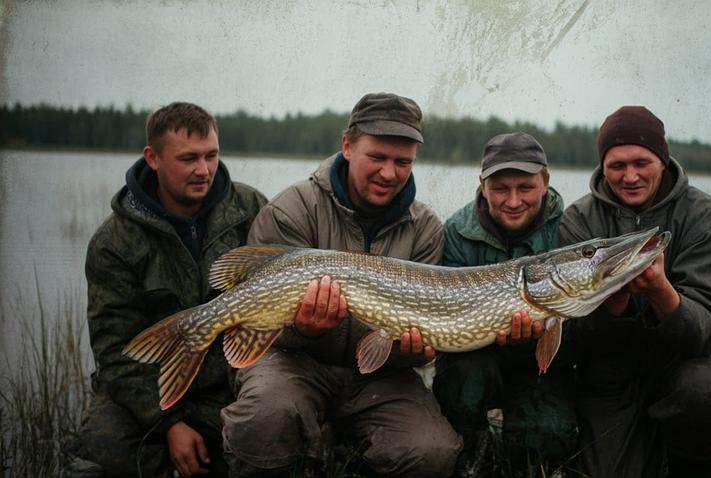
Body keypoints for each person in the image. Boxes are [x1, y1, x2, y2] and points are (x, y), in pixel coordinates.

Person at [220, 92, 462, 477]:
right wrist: (304, 329)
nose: (389, 173)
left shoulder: (425, 229)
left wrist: (413, 352)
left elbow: (412, 344)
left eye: (402, 162)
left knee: (431, 450)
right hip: (293, 362)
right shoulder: (292, 210)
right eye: (377, 157)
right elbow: (254, 325)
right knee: (264, 418)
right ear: (347, 146)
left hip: (379, 379)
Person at [74, 102, 267, 477]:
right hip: (146, 386)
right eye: (188, 158)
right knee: (102, 455)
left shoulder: (250, 207)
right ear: (153, 158)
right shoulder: (114, 241)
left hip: (228, 383)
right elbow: (114, 349)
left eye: (211, 155)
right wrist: (170, 423)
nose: (203, 170)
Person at [560, 106, 711, 478]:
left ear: (662, 160)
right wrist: (616, 302)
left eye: (641, 162)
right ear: (602, 167)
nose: (629, 176)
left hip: (689, 359)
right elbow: (583, 340)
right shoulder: (579, 220)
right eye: (616, 165)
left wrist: (661, 291)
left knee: (704, 393)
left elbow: (710, 334)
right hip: (614, 367)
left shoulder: (705, 216)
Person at [432, 132, 578, 476]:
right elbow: (447, 326)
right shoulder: (457, 231)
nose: (513, 201)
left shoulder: (570, 230)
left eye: (525, 187)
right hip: (475, 359)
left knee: (548, 436)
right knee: (460, 385)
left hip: (540, 370)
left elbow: (582, 328)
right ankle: (472, 458)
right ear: (483, 186)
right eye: (500, 189)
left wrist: (538, 336)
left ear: (545, 182)